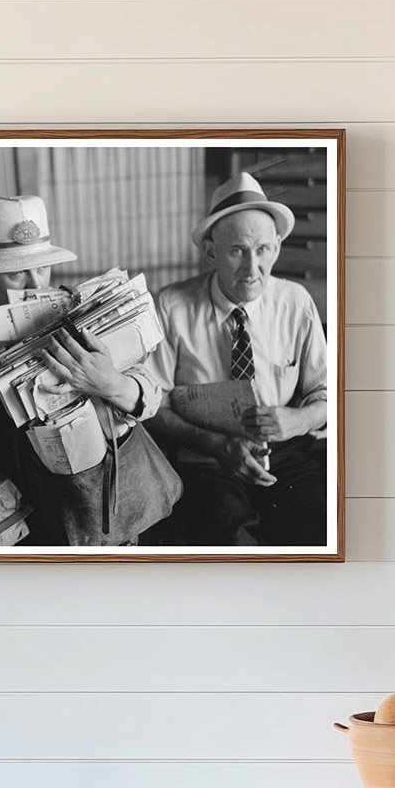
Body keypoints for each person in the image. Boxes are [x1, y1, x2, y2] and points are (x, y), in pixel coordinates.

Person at [0, 194, 161, 541]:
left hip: (96, 505)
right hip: (8, 518)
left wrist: (109, 383)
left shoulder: (82, 310)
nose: (36, 285)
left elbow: (151, 397)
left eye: (42, 268)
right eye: (17, 274)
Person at [146, 172, 328, 546]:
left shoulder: (295, 303)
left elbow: (324, 393)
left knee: (319, 518)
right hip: (205, 457)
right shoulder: (171, 306)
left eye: (262, 250)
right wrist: (214, 444)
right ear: (211, 252)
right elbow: (153, 404)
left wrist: (297, 420)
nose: (252, 267)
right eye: (236, 251)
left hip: (284, 450)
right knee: (226, 537)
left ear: (277, 247)